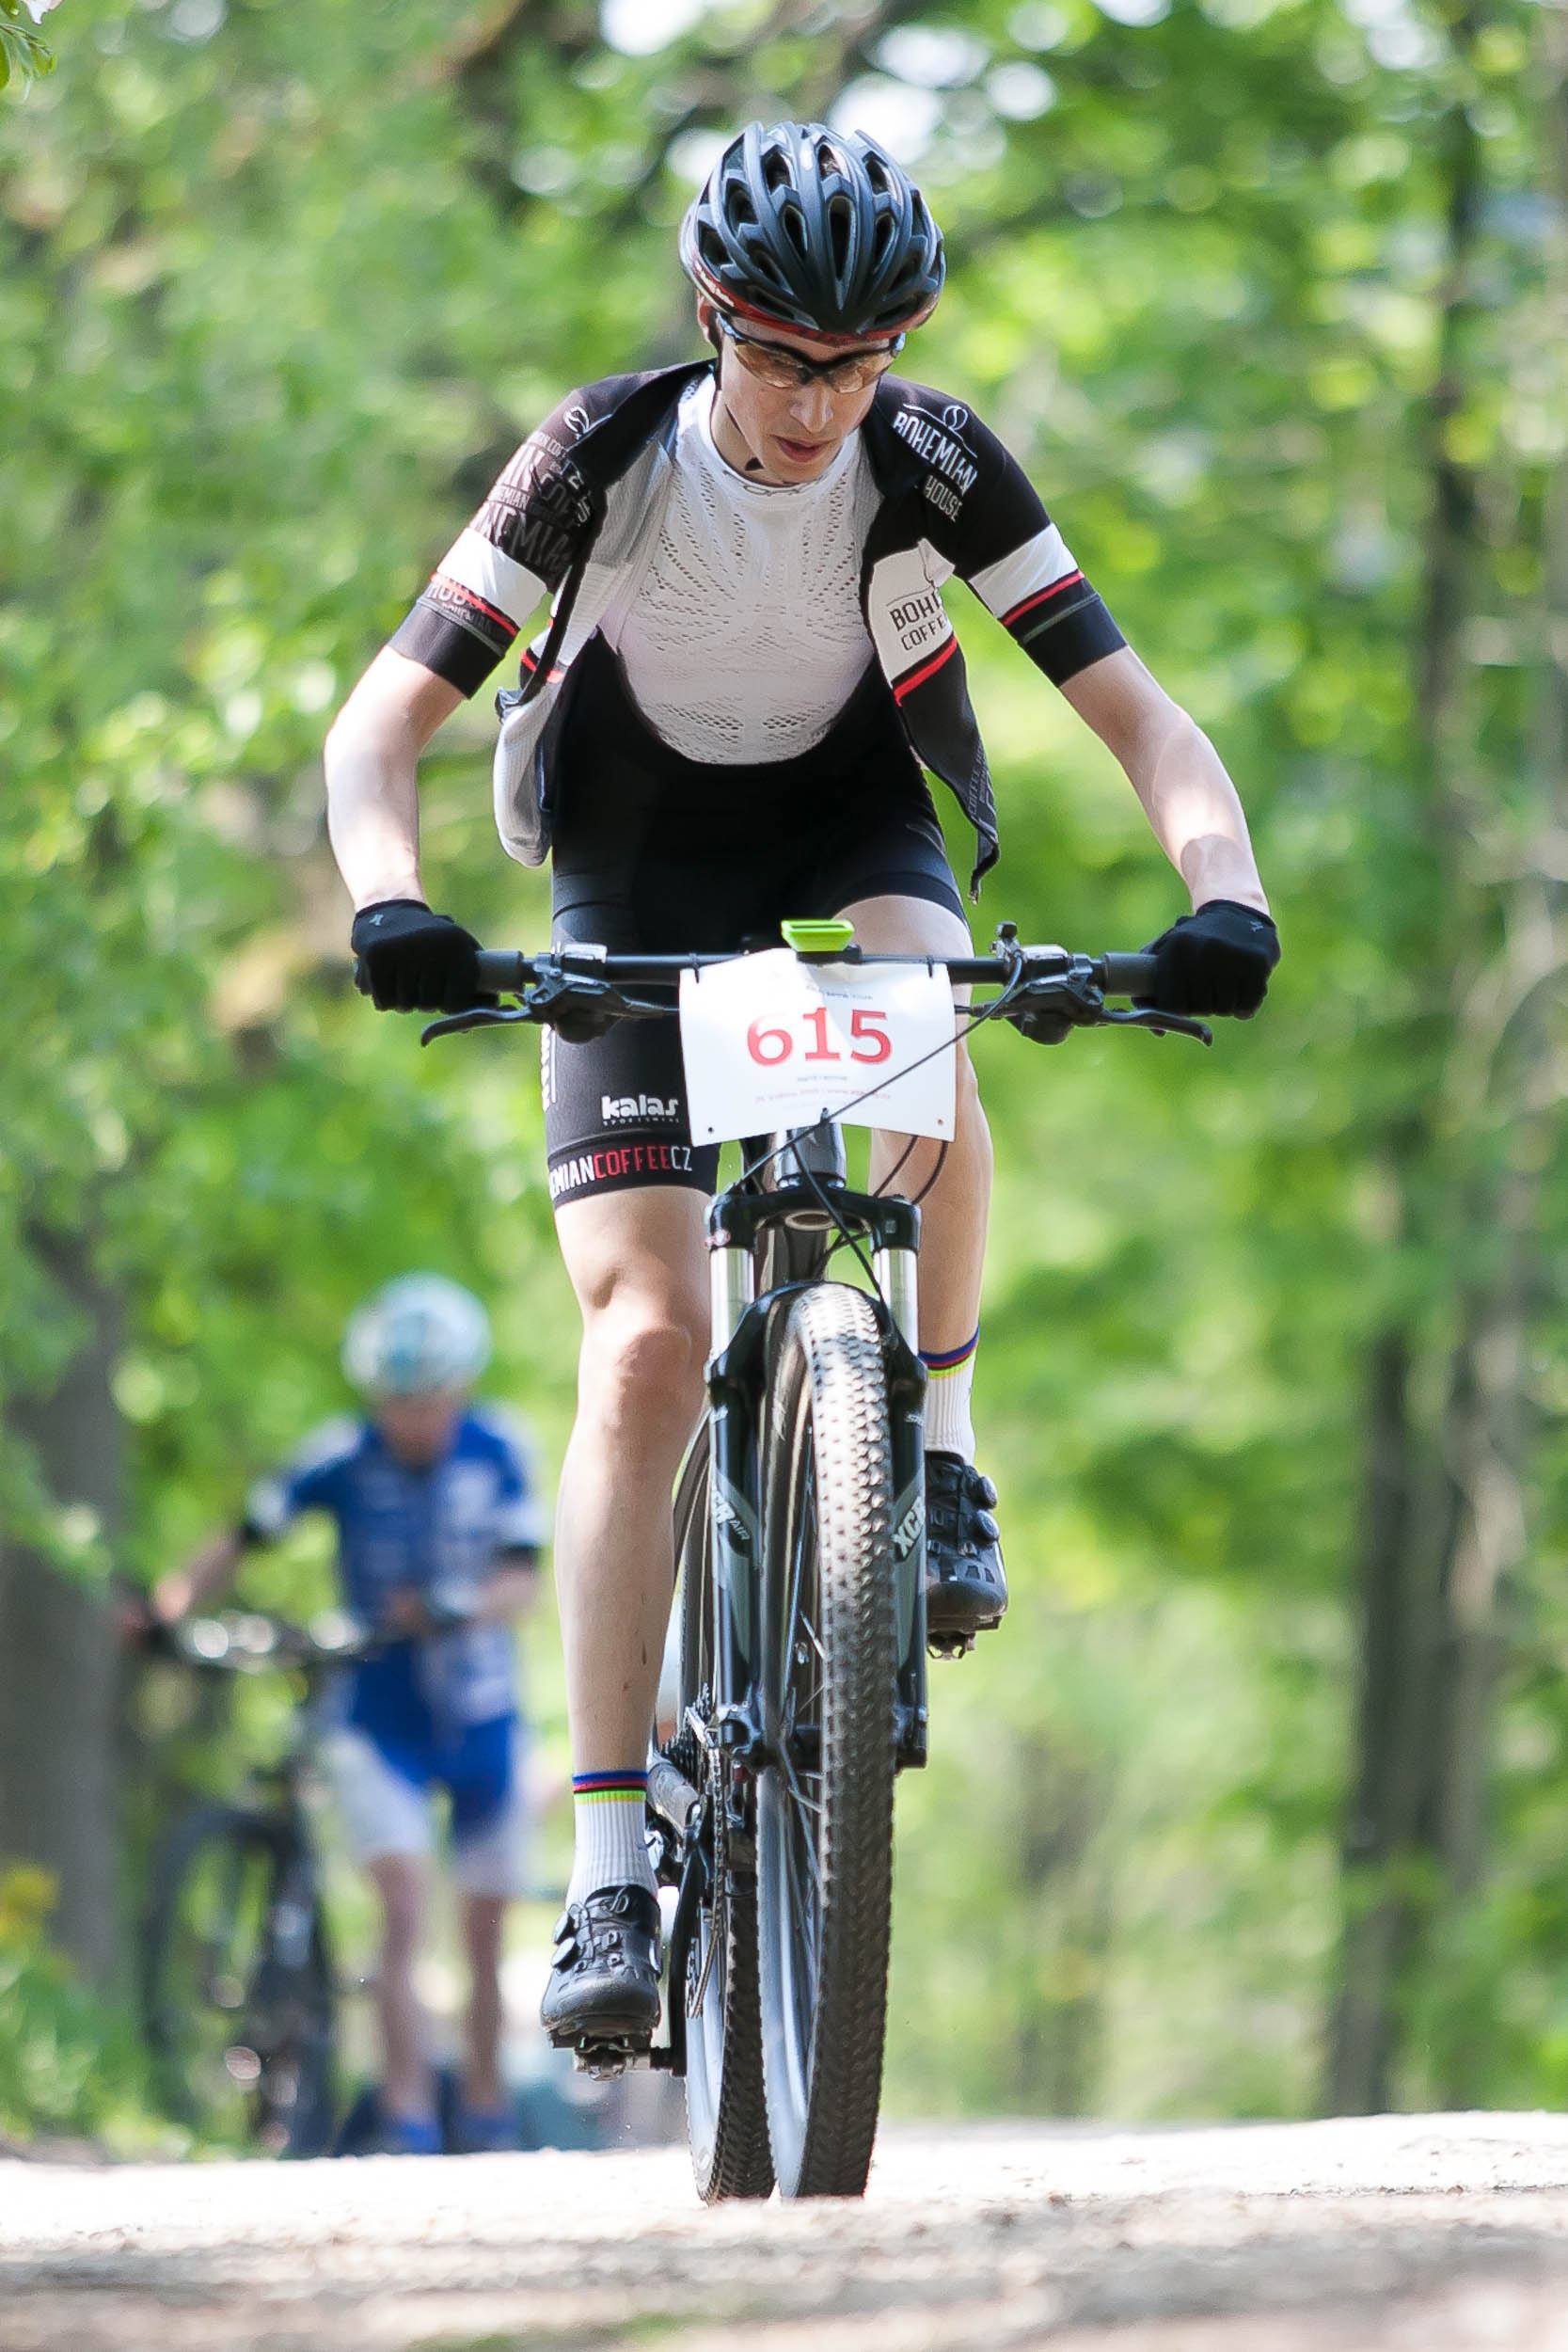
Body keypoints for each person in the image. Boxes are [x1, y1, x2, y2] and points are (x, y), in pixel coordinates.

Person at [323, 122, 1280, 2054]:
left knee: (934, 1019)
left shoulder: (933, 461)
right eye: (778, 356)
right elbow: (379, 725)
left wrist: (1225, 893)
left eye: (855, 363)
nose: (813, 403)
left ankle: (938, 1457)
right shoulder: (597, 455)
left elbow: (1142, 717)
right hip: (630, 856)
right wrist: (389, 901)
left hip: (849, 820)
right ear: (712, 320)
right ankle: (606, 1863)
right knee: (644, 1343)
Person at [148, 1274, 546, 2153]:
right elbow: (247, 1531)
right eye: (396, 1403)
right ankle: (409, 2116)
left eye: (428, 1401)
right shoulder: (342, 1454)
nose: (412, 1420)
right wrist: (168, 1608)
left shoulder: (498, 1448)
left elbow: (523, 1578)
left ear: (459, 1388)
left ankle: (487, 2112)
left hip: (482, 1718)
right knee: (401, 1909)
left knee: (482, 1929)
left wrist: (455, 1605)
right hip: (378, 1718)